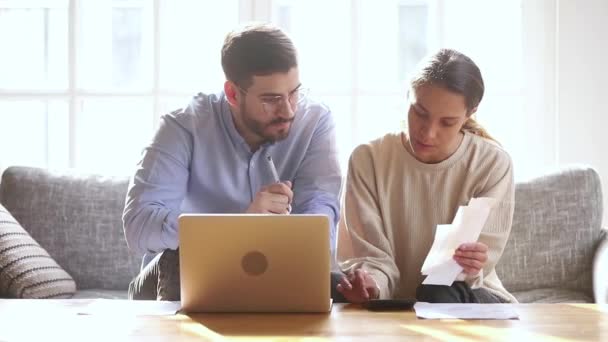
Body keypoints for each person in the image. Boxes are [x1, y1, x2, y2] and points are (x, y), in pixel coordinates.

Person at [123, 23, 343, 301]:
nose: (288, 110)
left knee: (340, 285)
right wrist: (239, 225)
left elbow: (321, 209)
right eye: (271, 99)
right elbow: (138, 227)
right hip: (175, 279)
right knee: (178, 260)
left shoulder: (316, 122)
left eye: (294, 93)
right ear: (233, 94)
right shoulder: (183, 127)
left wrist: (300, 245)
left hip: (272, 269)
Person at [335, 48, 517, 304]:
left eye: (447, 122)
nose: (428, 133)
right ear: (407, 96)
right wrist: (369, 284)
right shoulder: (367, 159)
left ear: (470, 113)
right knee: (332, 284)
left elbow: (475, 265)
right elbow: (371, 256)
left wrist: (472, 263)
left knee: (437, 291)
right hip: (392, 298)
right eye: (419, 113)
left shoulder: (492, 163)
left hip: (463, 292)